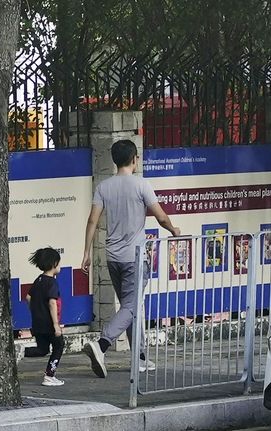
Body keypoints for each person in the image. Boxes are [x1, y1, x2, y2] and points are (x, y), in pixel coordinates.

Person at [81, 139, 180, 378]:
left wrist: (86, 252)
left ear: (115, 160)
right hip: (134, 258)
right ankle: (102, 345)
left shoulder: (104, 187)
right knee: (131, 306)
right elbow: (161, 217)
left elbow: (92, 220)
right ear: (135, 159)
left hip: (112, 257)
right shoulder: (141, 185)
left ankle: (140, 357)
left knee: (129, 307)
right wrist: (174, 230)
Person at [21, 247, 66, 386]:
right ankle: (50, 376)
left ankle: (21, 352)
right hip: (49, 323)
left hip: (38, 323)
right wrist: (55, 324)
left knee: (43, 349)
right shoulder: (51, 282)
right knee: (59, 346)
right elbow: (52, 303)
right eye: (59, 263)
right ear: (53, 264)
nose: (60, 266)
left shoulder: (39, 280)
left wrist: (35, 311)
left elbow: (29, 297)